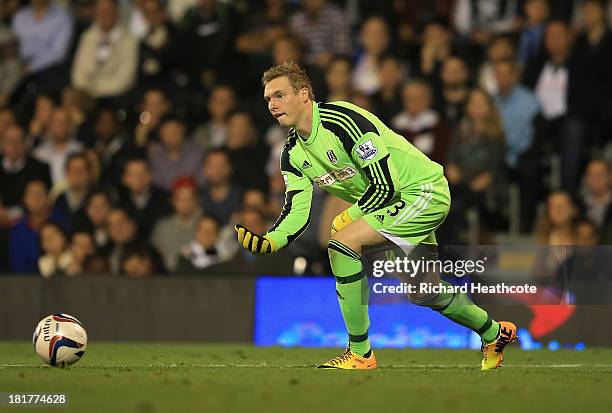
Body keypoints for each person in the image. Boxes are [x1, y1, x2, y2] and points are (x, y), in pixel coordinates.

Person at [233, 62, 517, 370]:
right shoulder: (292, 153)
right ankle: (494, 333)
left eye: (279, 95)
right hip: (391, 206)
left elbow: (385, 184)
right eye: (268, 99)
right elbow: (297, 211)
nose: (272, 105)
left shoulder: (342, 121)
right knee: (426, 291)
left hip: (422, 192)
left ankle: (360, 353)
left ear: (304, 95)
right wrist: (271, 241)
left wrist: (347, 217)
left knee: (341, 244)